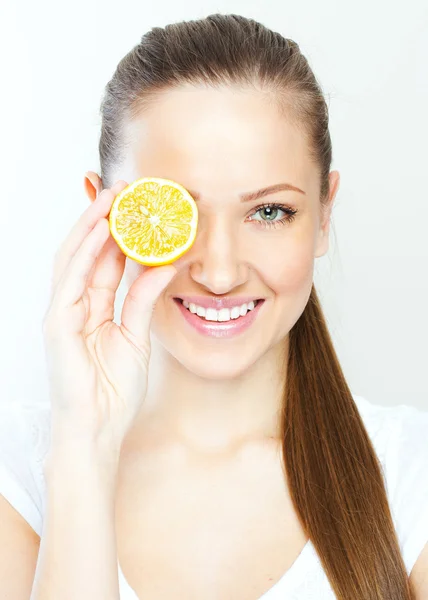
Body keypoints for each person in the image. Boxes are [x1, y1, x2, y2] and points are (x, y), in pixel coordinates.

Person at [0, 12, 427, 600]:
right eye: (178, 212)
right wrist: (84, 453)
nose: (220, 272)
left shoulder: (411, 478)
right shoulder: (18, 474)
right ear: (107, 215)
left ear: (325, 214)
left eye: (269, 211)